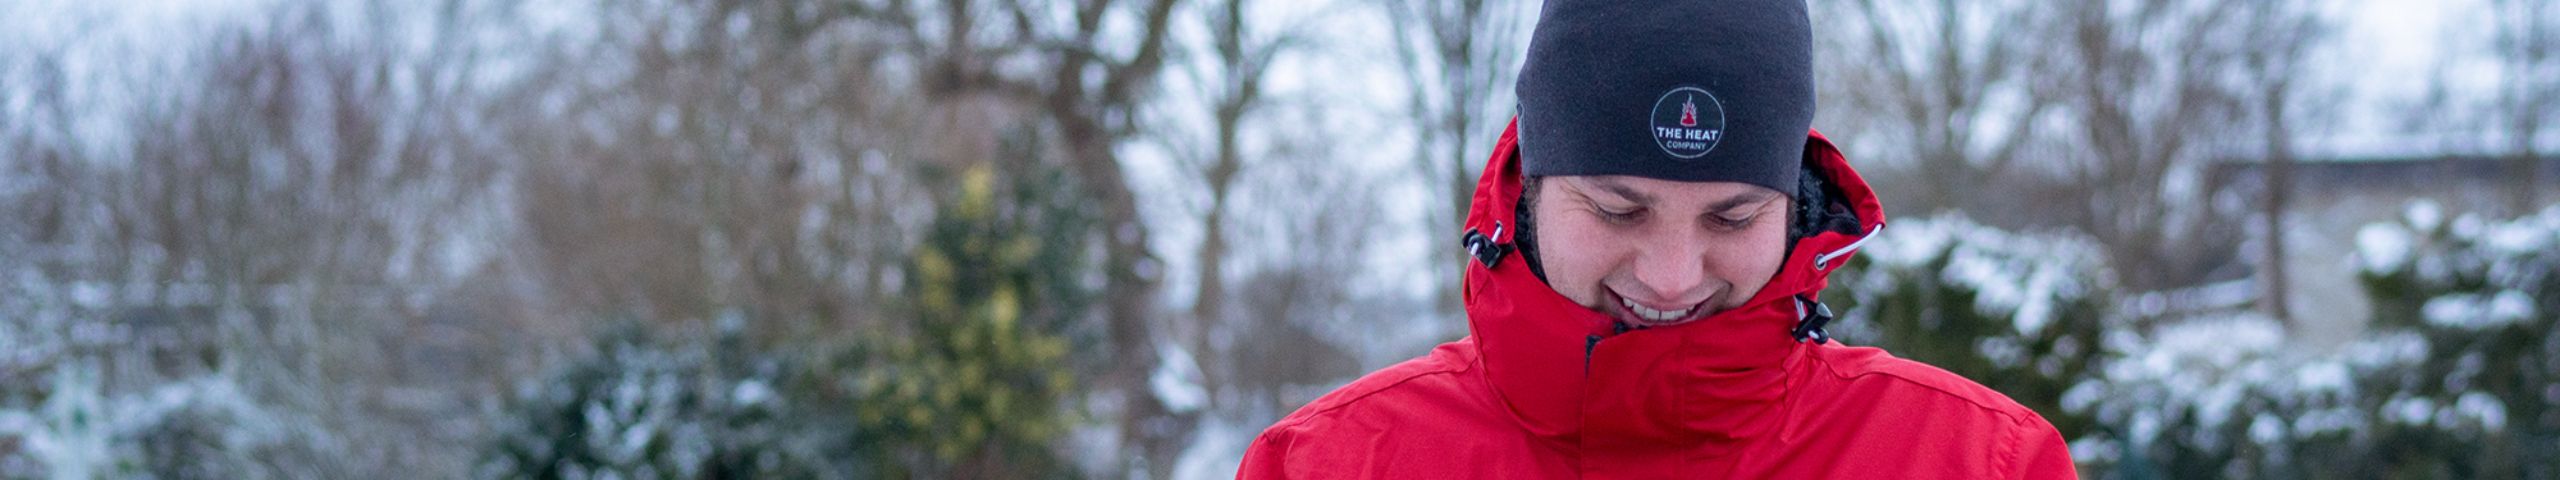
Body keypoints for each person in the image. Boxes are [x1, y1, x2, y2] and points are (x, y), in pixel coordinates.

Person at [1235, 0, 2076, 477]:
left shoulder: (1980, 462)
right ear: (1529, 189)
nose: (1672, 277)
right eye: (1617, 210)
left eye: (1733, 218)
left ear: (1796, 208)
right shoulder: (1330, 464)